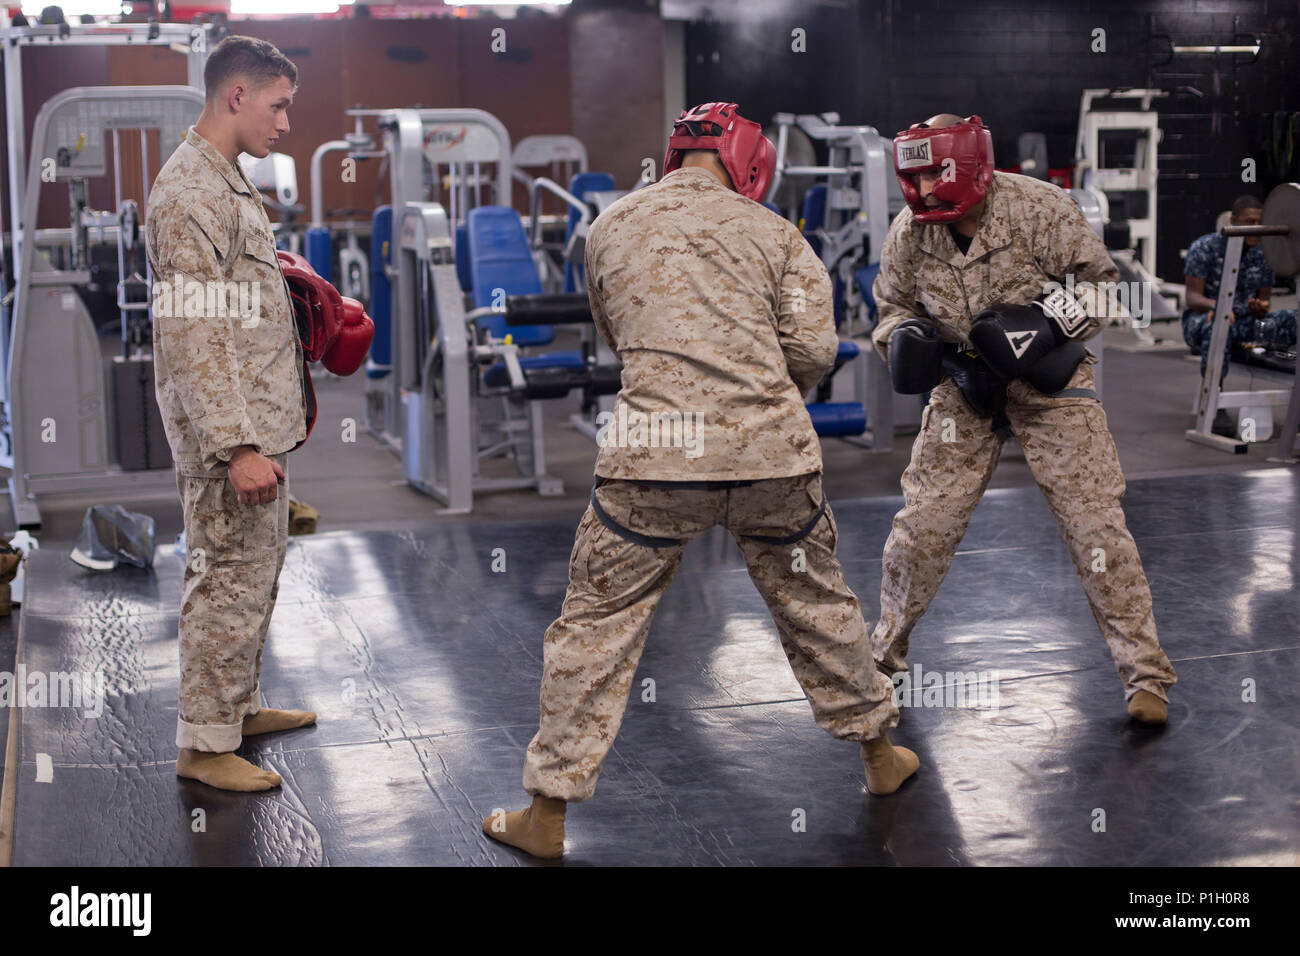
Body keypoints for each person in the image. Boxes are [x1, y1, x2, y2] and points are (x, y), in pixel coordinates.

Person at [482, 102, 915, 860]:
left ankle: (545, 817)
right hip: (771, 459)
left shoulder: (609, 226)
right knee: (820, 607)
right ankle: (881, 760)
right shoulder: (777, 234)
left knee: (595, 627)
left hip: (652, 460)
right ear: (750, 161)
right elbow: (815, 351)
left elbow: (617, 333)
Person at [872, 114, 1177, 729]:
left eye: (937, 173)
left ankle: (1146, 675)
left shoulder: (1040, 207)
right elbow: (891, 308)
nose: (925, 189)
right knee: (922, 528)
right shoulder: (909, 233)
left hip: (1050, 382)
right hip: (965, 386)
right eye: (916, 176)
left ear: (972, 165)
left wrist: (1048, 323)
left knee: (1095, 525)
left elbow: (1102, 287)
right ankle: (880, 666)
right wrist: (904, 339)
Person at [146, 36, 317, 792]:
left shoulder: (227, 180)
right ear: (235, 97)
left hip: (260, 422)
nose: (285, 124)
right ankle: (203, 745)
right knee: (224, 579)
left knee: (255, 574)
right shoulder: (188, 194)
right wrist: (237, 446)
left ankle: (236, 707)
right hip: (231, 436)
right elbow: (194, 334)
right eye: (278, 106)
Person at [1182, 194, 1297, 394]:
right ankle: (1213, 402)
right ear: (1233, 221)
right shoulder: (1203, 248)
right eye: (1250, 222)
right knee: (1218, 325)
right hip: (1202, 320)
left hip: (1245, 322)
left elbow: (1264, 302)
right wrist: (1216, 307)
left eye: (1260, 222)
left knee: (1294, 319)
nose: (1256, 228)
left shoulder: (1264, 253)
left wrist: (1260, 308)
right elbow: (1192, 298)